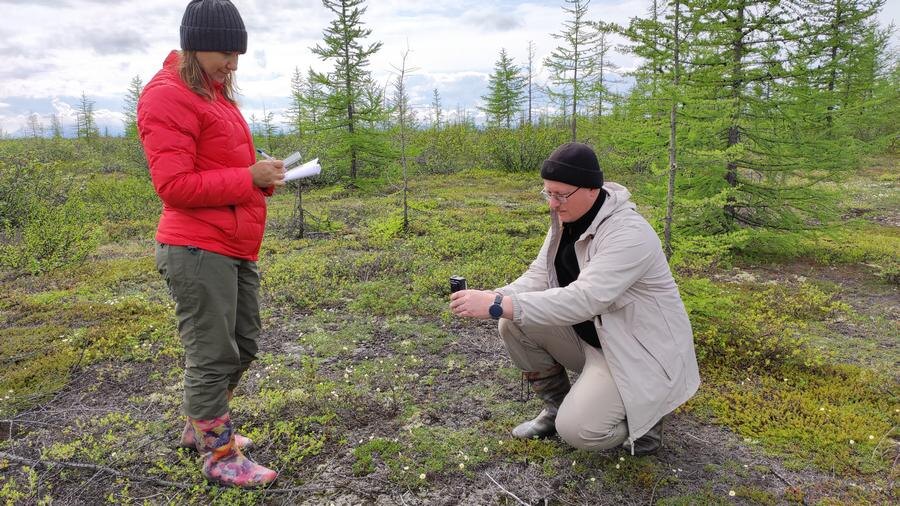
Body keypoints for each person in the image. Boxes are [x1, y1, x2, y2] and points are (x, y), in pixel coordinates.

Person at [450, 142, 700, 456]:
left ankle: (646, 420)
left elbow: (586, 299)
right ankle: (556, 409)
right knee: (512, 325)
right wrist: (496, 297)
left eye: (559, 195)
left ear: (592, 190)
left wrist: (500, 305)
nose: (552, 204)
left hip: (638, 353)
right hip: (598, 339)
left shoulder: (629, 234)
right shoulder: (569, 219)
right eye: (547, 193)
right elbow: (538, 275)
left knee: (579, 432)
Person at [137, 0, 283, 487]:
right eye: (225, 52)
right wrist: (247, 177)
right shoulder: (167, 96)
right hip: (197, 249)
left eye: (238, 54)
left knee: (242, 345)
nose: (233, 63)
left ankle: (198, 426)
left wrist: (259, 177)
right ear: (194, 45)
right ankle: (219, 454)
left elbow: (214, 167)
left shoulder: (214, 95)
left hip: (233, 244)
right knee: (212, 354)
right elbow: (173, 185)